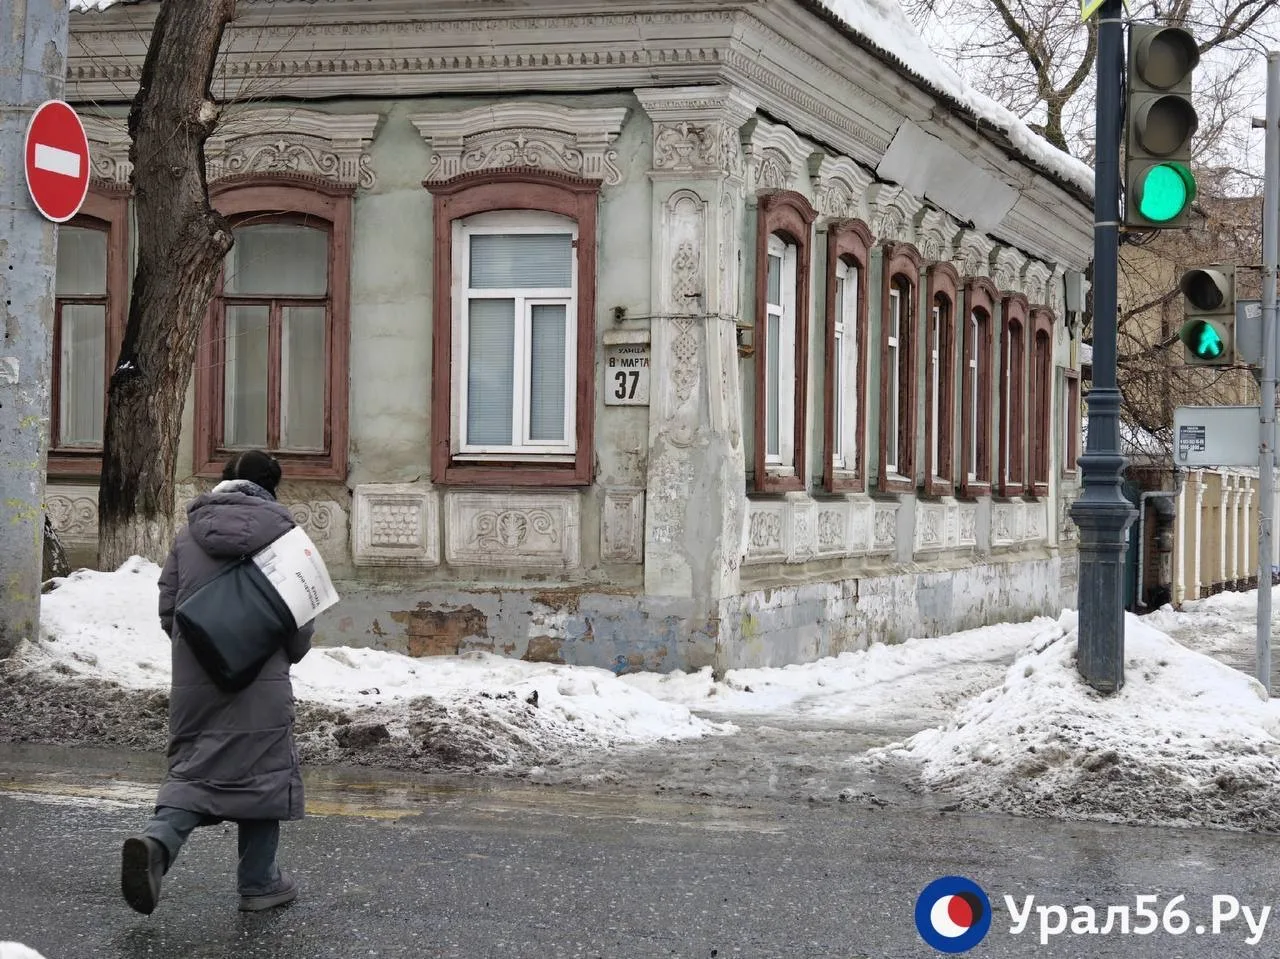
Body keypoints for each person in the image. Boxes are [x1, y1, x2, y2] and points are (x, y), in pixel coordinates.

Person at [121, 450, 313, 915]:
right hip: (261, 676)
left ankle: (158, 842)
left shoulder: (189, 535)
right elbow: (301, 622)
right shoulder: (287, 539)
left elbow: (169, 609)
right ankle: (260, 882)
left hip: (197, 673)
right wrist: (274, 653)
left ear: (225, 479)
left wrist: (204, 649)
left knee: (195, 765)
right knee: (263, 772)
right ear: (273, 486)